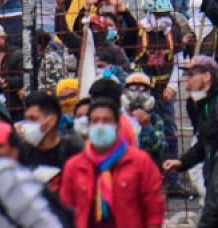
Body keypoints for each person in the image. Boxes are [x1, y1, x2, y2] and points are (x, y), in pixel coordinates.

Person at [58, 96, 165, 228]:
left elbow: (154, 211)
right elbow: (66, 212)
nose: (100, 126)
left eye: (106, 121)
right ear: (89, 126)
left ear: (117, 126)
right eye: (95, 121)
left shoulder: (140, 162)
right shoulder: (74, 166)